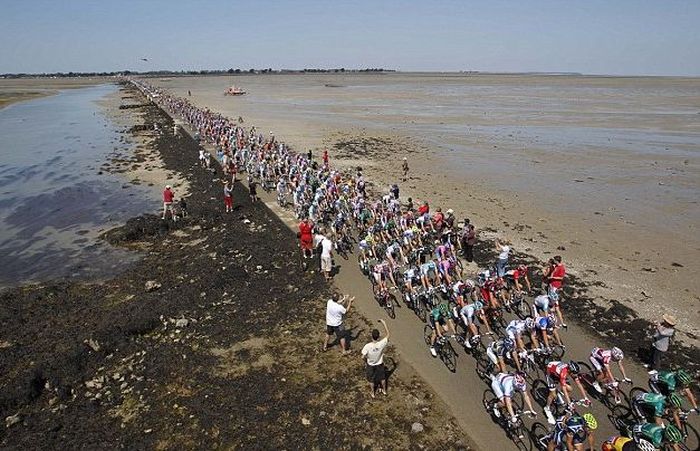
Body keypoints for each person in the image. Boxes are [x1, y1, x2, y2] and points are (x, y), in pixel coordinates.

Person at [361, 319, 390, 398]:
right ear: (378, 336)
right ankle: (384, 390)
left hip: (371, 365)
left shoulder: (367, 346)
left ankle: (373, 393)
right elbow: (388, 334)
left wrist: (366, 359)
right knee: (382, 378)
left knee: (371, 380)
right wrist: (384, 323)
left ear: (372, 336)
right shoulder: (381, 344)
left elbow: (362, 356)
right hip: (379, 364)